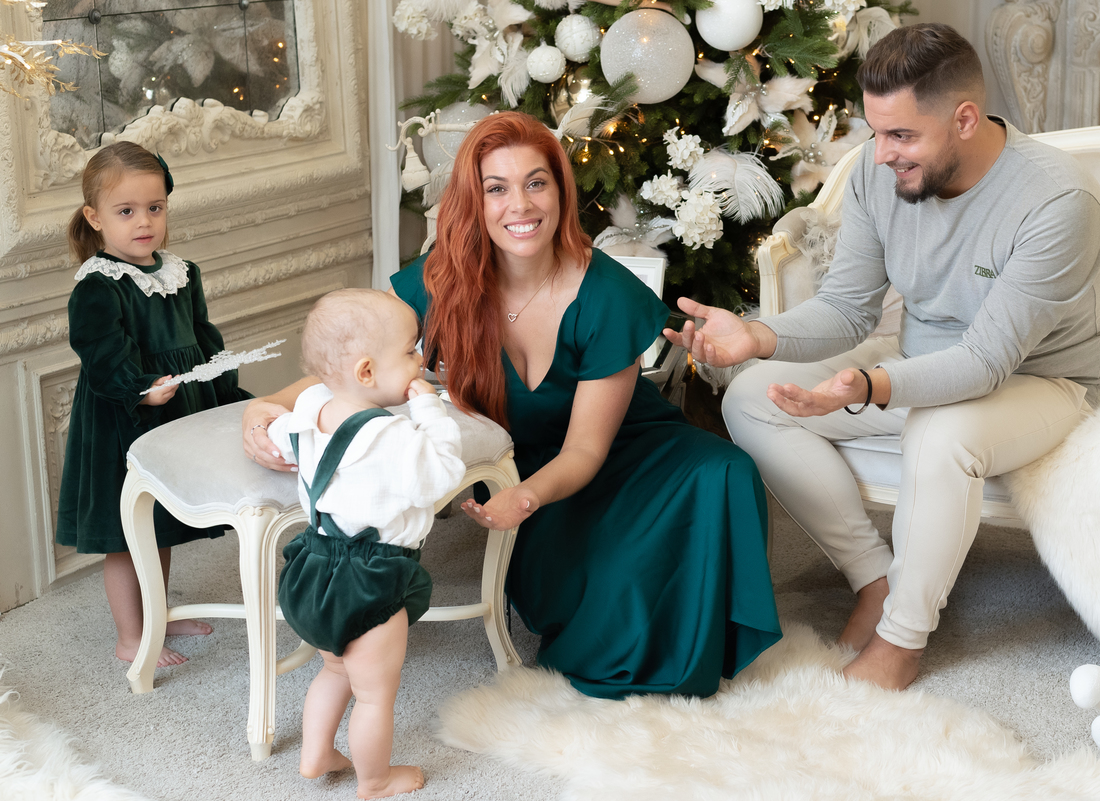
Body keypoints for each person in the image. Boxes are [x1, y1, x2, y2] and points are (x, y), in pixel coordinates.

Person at [243, 111, 782, 700]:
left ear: (560, 191)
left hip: (616, 448)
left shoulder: (608, 293)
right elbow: (353, 365)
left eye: (536, 183)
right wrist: (269, 403)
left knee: (725, 470)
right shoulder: (441, 281)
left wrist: (526, 498)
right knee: (598, 594)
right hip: (519, 459)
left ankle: (690, 649)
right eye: (496, 188)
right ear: (474, 200)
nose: (519, 205)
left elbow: (585, 449)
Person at [665, 23, 1100, 690]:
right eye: (876, 132)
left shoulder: (1057, 201)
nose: (880, 155)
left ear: (964, 119)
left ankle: (901, 640)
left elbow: (985, 362)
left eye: (901, 135)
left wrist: (869, 384)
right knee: (751, 398)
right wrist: (757, 338)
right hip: (918, 354)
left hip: (1047, 379)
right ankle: (876, 580)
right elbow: (847, 308)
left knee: (941, 432)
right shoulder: (878, 173)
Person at [56, 141, 252, 667]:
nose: (144, 221)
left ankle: (156, 616)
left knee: (158, 524)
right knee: (127, 533)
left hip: (176, 410)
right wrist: (139, 388)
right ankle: (130, 637)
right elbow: (100, 352)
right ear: (95, 218)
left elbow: (204, 338)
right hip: (124, 416)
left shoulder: (182, 272)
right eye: (126, 211)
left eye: (155, 207)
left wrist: (222, 390)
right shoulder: (99, 286)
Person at [266, 288, 464, 797]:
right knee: (374, 696)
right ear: (367, 372)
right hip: (370, 579)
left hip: (313, 569)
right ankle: (375, 780)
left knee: (334, 670)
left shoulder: (309, 411)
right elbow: (443, 473)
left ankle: (315, 754)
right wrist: (430, 409)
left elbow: (281, 434)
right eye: (411, 350)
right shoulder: (392, 438)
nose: (421, 360)